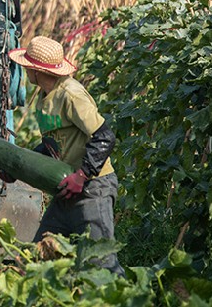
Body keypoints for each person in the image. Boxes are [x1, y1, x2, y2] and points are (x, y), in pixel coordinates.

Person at [7, 35, 124, 275]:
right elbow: (52, 146)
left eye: (28, 65)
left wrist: (82, 175)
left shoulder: (71, 95)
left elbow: (104, 137)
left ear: (37, 71)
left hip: (93, 188)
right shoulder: (44, 96)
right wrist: (15, 167)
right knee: (40, 256)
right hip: (67, 190)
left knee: (101, 262)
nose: (25, 69)